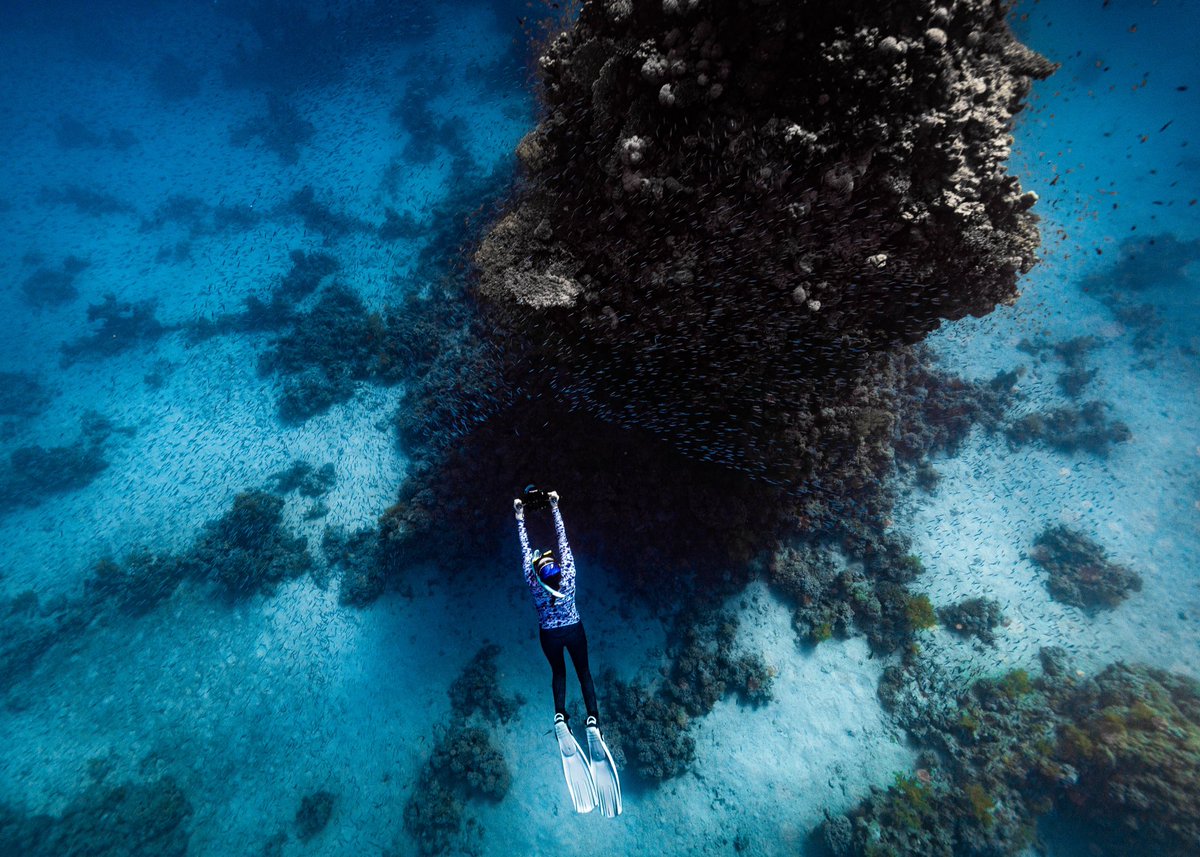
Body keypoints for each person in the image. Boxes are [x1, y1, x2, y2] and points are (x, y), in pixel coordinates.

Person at [514, 486, 621, 817]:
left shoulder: (534, 585)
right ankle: (592, 721)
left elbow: (525, 546)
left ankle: (561, 715)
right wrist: (555, 506)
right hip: (574, 629)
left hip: (549, 634)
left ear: (538, 572)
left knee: (558, 673)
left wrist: (519, 515)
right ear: (557, 568)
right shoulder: (570, 576)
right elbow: (563, 540)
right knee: (583, 672)